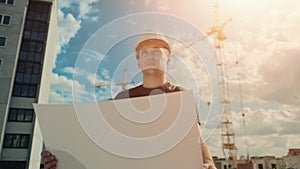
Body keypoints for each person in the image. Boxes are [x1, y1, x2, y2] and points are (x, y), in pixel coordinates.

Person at [41, 30, 216, 169]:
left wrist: (209, 162)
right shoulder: (123, 98)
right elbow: (105, 144)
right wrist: (63, 161)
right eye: (144, 52)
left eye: (156, 51)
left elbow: (197, 139)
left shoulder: (180, 95)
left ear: (168, 58)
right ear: (138, 61)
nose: (150, 56)